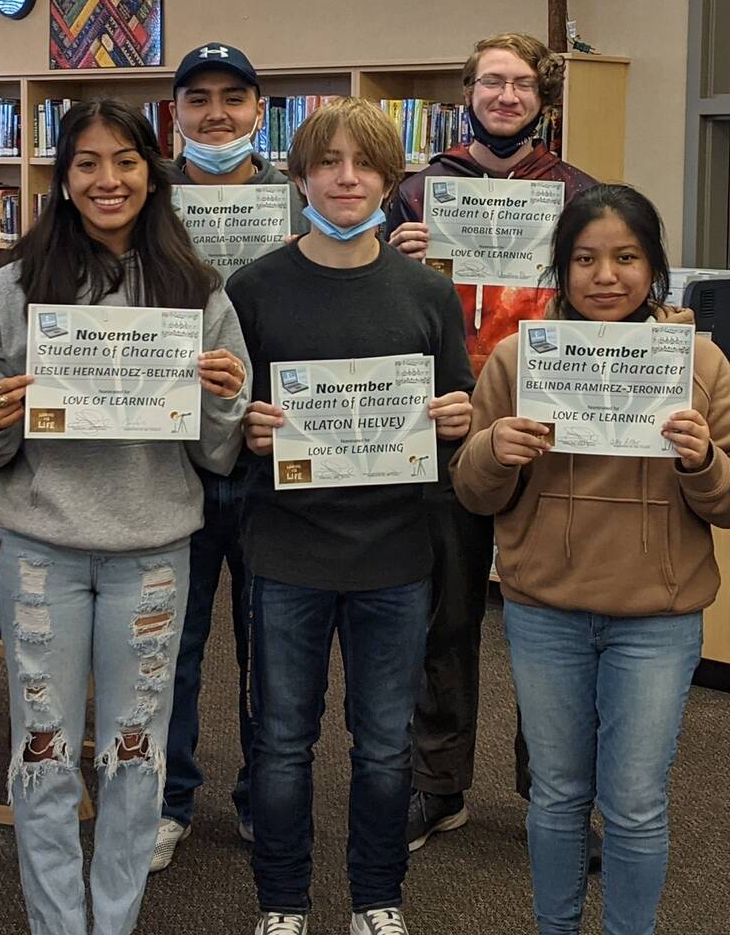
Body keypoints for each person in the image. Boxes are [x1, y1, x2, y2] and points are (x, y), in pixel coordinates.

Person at [0, 99, 250, 935]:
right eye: (86, 162)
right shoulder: (17, 286)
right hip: (41, 549)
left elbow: (219, 449)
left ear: (151, 173)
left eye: (124, 161)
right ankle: (58, 926)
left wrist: (223, 401)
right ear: (64, 178)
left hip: (151, 552)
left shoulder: (196, 289)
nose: (106, 179)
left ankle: (113, 922)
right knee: (42, 752)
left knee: (134, 755)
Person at [451, 183, 730, 934]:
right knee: (556, 795)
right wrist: (495, 449)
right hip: (544, 608)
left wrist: (700, 460)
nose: (605, 276)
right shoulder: (520, 358)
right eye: (584, 259)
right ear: (562, 268)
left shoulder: (702, 365)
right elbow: (472, 492)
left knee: (637, 801)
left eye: (626, 258)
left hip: (658, 617)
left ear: (654, 269)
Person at [231, 97, 474, 935]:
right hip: (287, 552)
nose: (345, 178)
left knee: (383, 746)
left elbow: (458, 411)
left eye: (363, 164)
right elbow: (224, 421)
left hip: (394, 555)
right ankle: (283, 903)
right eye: (327, 163)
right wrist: (246, 427)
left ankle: (378, 898)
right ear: (298, 177)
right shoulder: (253, 288)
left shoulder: (426, 293)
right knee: (282, 743)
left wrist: (458, 419)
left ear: (389, 179)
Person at [387, 32, 598, 850]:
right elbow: (380, 303)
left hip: (548, 425)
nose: (505, 97)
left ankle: (555, 792)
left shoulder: (578, 193)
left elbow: (607, 294)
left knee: (551, 616)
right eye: (491, 83)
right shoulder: (417, 193)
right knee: (445, 613)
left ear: (543, 99)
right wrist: (397, 260)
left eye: (521, 85)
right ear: (467, 92)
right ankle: (438, 785)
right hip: (447, 422)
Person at [155, 41, 310, 873]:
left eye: (233, 99)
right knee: (171, 644)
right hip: (171, 457)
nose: (216, 114)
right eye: (198, 99)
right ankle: (168, 799)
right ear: (175, 114)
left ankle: (262, 797)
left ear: (259, 111)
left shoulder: (298, 205)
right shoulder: (146, 202)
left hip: (275, 453)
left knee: (269, 644)